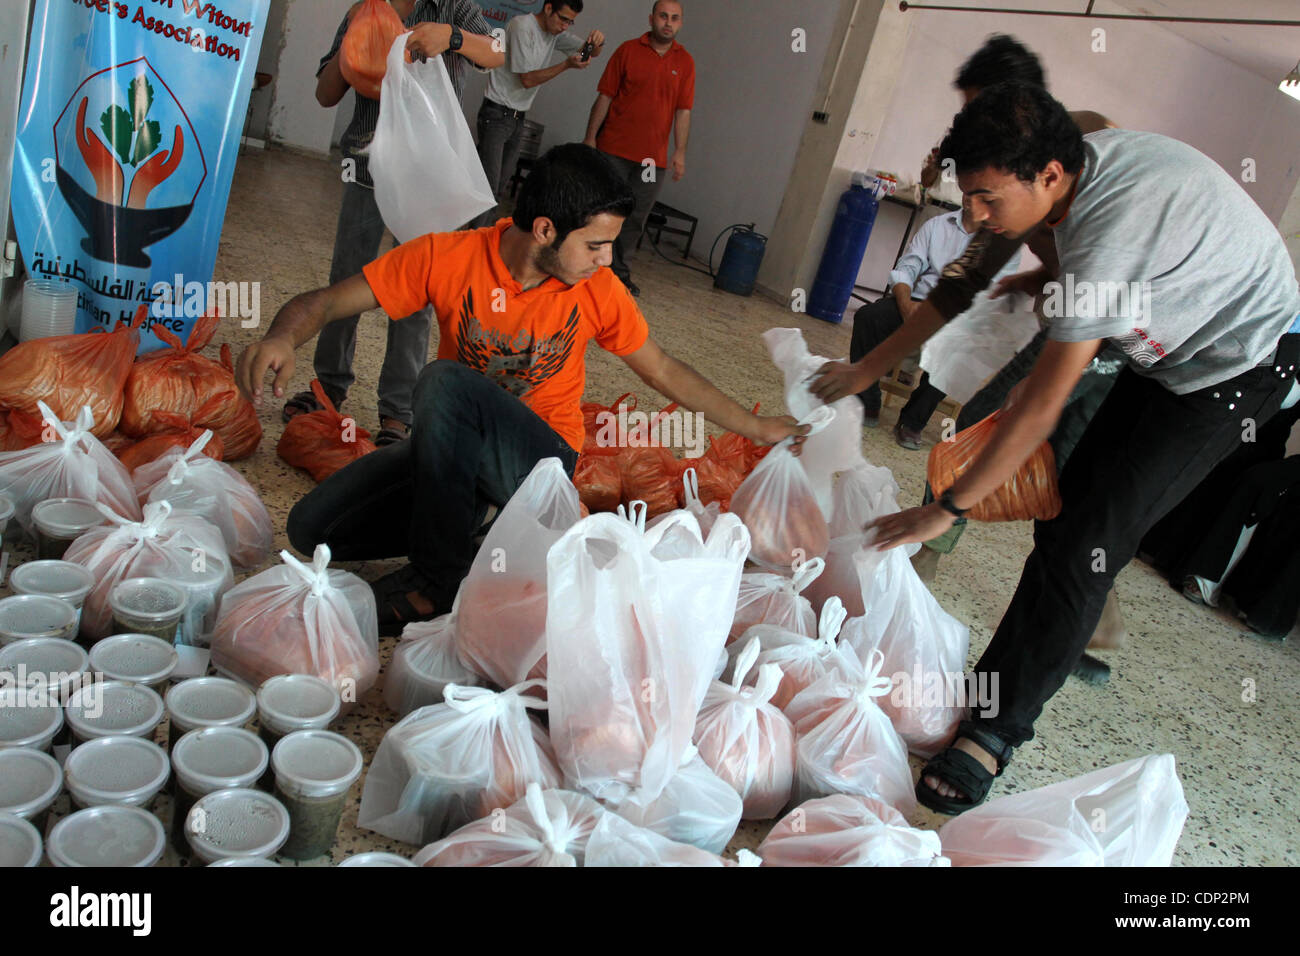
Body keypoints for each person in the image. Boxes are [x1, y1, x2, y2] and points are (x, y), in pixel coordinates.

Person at [811, 82, 1300, 814]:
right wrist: (863, 369)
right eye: (965, 194)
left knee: (1090, 540)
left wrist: (949, 506)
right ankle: (997, 692)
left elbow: (1039, 404)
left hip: (1240, 363)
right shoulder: (1043, 170)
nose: (971, 215)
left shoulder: (1108, 238)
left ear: (1049, 176)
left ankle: (996, 733)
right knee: (1065, 526)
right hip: (1169, 347)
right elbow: (957, 287)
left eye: (985, 200)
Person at [236, 145, 806, 635]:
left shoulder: (597, 289)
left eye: (610, 246)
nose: (607, 260)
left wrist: (757, 427)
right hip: (452, 451)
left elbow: (663, 369)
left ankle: (439, 582)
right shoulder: (447, 257)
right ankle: (475, 528)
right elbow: (331, 300)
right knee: (313, 529)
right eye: (596, 245)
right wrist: (281, 335)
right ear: (545, 230)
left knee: (442, 384)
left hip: (542, 465)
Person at [285, 0, 504, 447]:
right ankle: (326, 389)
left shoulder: (451, 6)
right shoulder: (365, 9)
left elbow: (499, 52)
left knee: (416, 293)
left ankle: (397, 412)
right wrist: (354, 54)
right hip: (366, 169)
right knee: (346, 279)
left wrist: (453, 38)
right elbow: (325, 94)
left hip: (426, 175)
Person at [850, 196, 1021, 449]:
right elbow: (907, 267)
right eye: (968, 191)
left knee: (959, 346)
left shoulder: (1003, 240)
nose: (972, 198)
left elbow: (994, 297)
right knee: (869, 317)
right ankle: (867, 402)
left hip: (962, 315)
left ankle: (913, 422)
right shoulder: (937, 225)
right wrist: (906, 304)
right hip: (919, 301)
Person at [581, 0, 694, 296]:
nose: (668, 23)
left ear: (680, 23)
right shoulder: (627, 51)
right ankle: (585, 268)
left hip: (650, 162)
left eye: (675, 18)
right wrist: (590, 138)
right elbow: (605, 97)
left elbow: (683, 111)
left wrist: (679, 152)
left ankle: (618, 274)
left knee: (635, 216)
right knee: (600, 210)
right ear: (651, 18)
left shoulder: (685, 62)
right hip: (613, 151)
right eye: (663, 16)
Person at [467, 2, 605, 230]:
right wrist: (565, 66)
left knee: (500, 186)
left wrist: (595, 44)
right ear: (548, 8)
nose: (565, 26)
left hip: (517, 116)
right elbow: (527, 79)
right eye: (563, 19)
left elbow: (586, 52)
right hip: (496, 114)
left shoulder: (554, 33)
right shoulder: (522, 27)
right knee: (488, 187)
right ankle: (471, 243)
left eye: (570, 21)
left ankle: (479, 237)